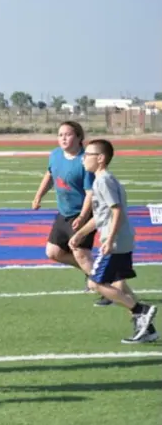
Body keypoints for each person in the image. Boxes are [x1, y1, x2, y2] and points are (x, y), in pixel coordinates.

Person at [70, 139, 157, 343]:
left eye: (88, 155)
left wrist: (109, 239)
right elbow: (102, 216)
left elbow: (116, 211)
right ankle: (148, 330)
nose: (83, 159)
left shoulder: (103, 181)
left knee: (95, 283)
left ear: (100, 159)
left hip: (115, 241)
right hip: (121, 239)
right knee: (120, 286)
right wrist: (81, 233)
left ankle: (140, 310)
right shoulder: (103, 180)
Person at [32, 121, 109, 306]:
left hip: (83, 214)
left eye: (68, 134)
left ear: (79, 137)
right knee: (54, 252)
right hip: (63, 212)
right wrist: (38, 196)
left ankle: (107, 289)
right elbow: (49, 175)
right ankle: (94, 272)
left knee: (80, 253)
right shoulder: (55, 155)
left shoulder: (85, 161)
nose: (63, 138)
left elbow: (90, 192)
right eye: (60, 135)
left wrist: (83, 216)